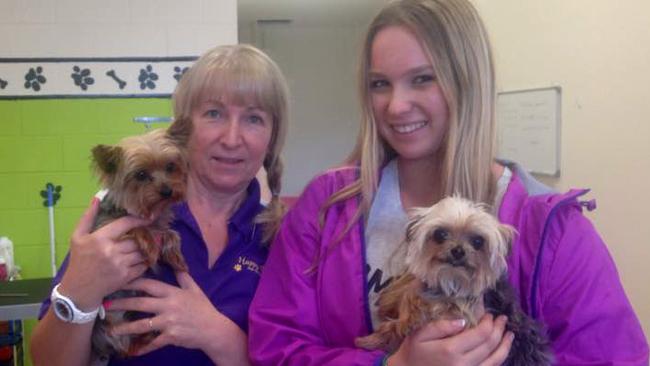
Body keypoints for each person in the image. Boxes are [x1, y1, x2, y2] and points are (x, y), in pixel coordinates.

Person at [248, 0, 649, 365]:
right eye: (380, 84)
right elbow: (275, 348)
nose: (396, 105)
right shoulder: (327, 207)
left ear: (467, 82)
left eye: (422, 79)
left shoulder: (552, 231)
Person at [30, 44, 289, 366]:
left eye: (253, 118)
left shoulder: (283, 236)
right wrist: (76, 294)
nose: (232, 138)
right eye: (214, 113)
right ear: (182, 130)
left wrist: (218, 334)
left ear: (271, 136)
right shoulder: (121, 219)